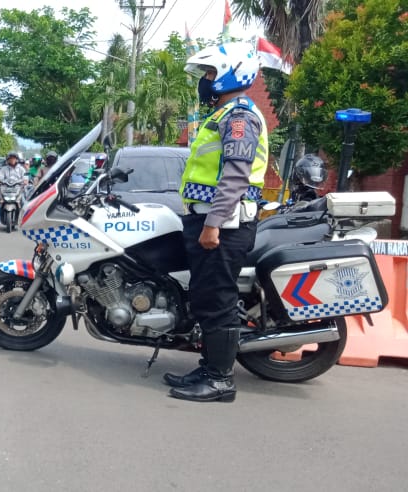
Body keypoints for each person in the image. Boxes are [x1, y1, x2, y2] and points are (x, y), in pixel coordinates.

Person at [164, 42, 268, 403]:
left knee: (218, 300)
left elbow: (235, 177)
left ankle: (221, 380)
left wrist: (213, 224)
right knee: (206, 297)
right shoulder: (223, 115)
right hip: (211, 221)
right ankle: (208, 368)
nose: (205, 81)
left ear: (230, 73)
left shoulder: (239, 118)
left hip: (224, 226)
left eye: (210, 74)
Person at [0, 152, 27, 227]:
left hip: (17, 189)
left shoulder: (21, 169)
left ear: (16, 159)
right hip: (5, 189)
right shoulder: (4, 169)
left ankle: (24, 222)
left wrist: (25, 181)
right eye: (10, 158)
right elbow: (0, 177)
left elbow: (25, 178)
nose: (12, 160)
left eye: (14, 158)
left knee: (24, 203)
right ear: (8, 160)